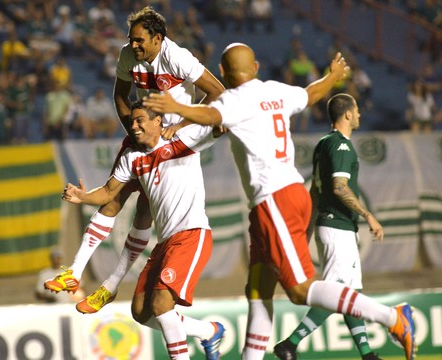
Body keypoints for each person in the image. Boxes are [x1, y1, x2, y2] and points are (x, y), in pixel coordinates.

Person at [142, 42, 416, 360]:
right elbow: (311, 94)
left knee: (300, 290)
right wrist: (332, 76)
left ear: (222, 72)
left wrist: (177, 109)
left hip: (274, 200)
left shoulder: (235, 99)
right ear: (256, 67)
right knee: (258, 290)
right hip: (286, 196)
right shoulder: (274, 90)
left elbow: (209, 113)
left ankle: (392, 317)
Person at [44, 6, 225, 315]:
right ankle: (77, 274)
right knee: (114, 199)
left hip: (172, 142)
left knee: (143, 211)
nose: (134, 46)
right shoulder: (129, 55)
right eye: (131, 40)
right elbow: (120, 94)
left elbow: (218, 92)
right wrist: (133, 127)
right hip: (145, 136)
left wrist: (181, 125)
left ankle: (110, 285)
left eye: (140, 40)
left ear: (157, 39)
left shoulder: (177, 58)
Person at [63, 101, 226, 360]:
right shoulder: (133, 157)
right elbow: (108, 192)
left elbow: (220, 124)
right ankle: (209, 330)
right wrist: (82, 197)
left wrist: (185, 119)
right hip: (165, 243)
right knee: (141, 311)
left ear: (158, 121)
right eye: (132, 121)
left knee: (162, 304)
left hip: (191, 235)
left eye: (140, 120)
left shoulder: (183, 141)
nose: (134, 125)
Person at [273, 93, 383, 360]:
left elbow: (314, 190)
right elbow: (339, 186)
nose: (358, 115)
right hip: (338, 227)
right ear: (347, 114)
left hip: (330, 225)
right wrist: (368, 215)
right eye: (356, 111)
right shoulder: (342, 147)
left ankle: (366, 354)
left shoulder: (323, 143)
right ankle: (290, 343)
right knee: (336, 293)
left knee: (350, 293)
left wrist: (309, 226)